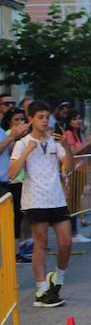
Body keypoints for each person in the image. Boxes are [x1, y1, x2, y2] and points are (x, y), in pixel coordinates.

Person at [10, 100, 74, 308]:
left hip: (56, 198)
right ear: (31, 120)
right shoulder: (22, 143)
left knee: (66, 242)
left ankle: (57, 279)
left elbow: (69, 166)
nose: (45, 121)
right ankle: (41, 290)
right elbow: (12, 173)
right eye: (40, 117)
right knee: (41, 244)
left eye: (47, 117)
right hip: (35, 199)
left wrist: (65, 145)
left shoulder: (55, 141)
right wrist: (27, 151)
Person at [0, 104, 32, 262]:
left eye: (22, 119)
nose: (20, 122)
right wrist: (13, 137)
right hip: (8, 182)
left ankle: (20, 249)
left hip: (11, 181)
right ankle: (13, 253)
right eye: (16, 120)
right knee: (12, 219)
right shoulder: (8, 134)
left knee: (20, 217)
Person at [63, 110, 91, 244]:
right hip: (74, 171)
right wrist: (88, 142)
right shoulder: (68, 134)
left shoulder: (78, 133)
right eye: (74, 119)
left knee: (76, 202)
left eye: (79, 118)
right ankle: (73, 233)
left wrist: (88, 143)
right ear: (68, 121)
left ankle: (74, 231)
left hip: (81, 170)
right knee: (73, 202)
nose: (78, 121)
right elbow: (72, 152)